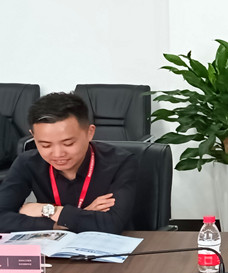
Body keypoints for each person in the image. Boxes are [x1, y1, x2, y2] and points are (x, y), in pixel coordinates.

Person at [0, 92, 138, 234]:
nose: (58, 154)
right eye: (45, 145)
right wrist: (65, 221)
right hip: (53, 245)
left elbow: (112, 224)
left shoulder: (121, 162)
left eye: (68, 143)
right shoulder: (27, 163)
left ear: (90, 133)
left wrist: (48, 211)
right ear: (33, 136)